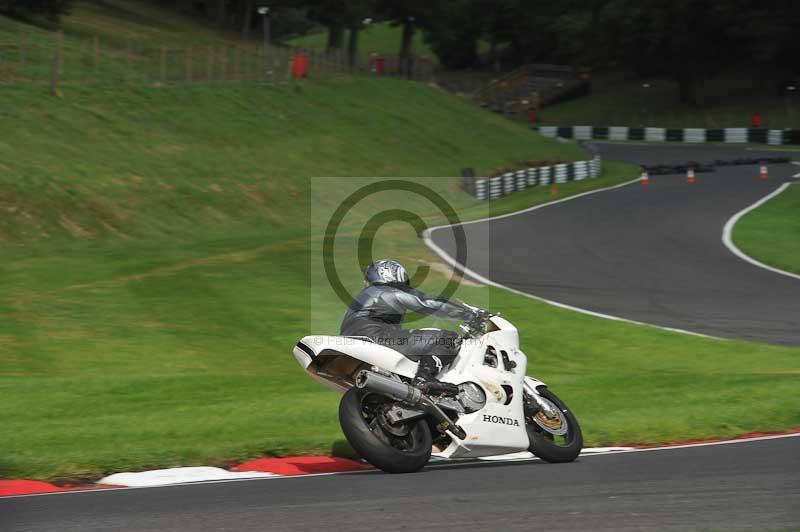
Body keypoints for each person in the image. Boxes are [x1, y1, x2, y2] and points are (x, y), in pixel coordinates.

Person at [340, 259, 483, 395]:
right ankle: (424, 378)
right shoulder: (389, 289)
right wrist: (471, 315)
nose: (364, 283)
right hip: (376, 336)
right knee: (446, 338)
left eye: (366, 279)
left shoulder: (363, 298)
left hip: (351, 343)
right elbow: (427, 303)